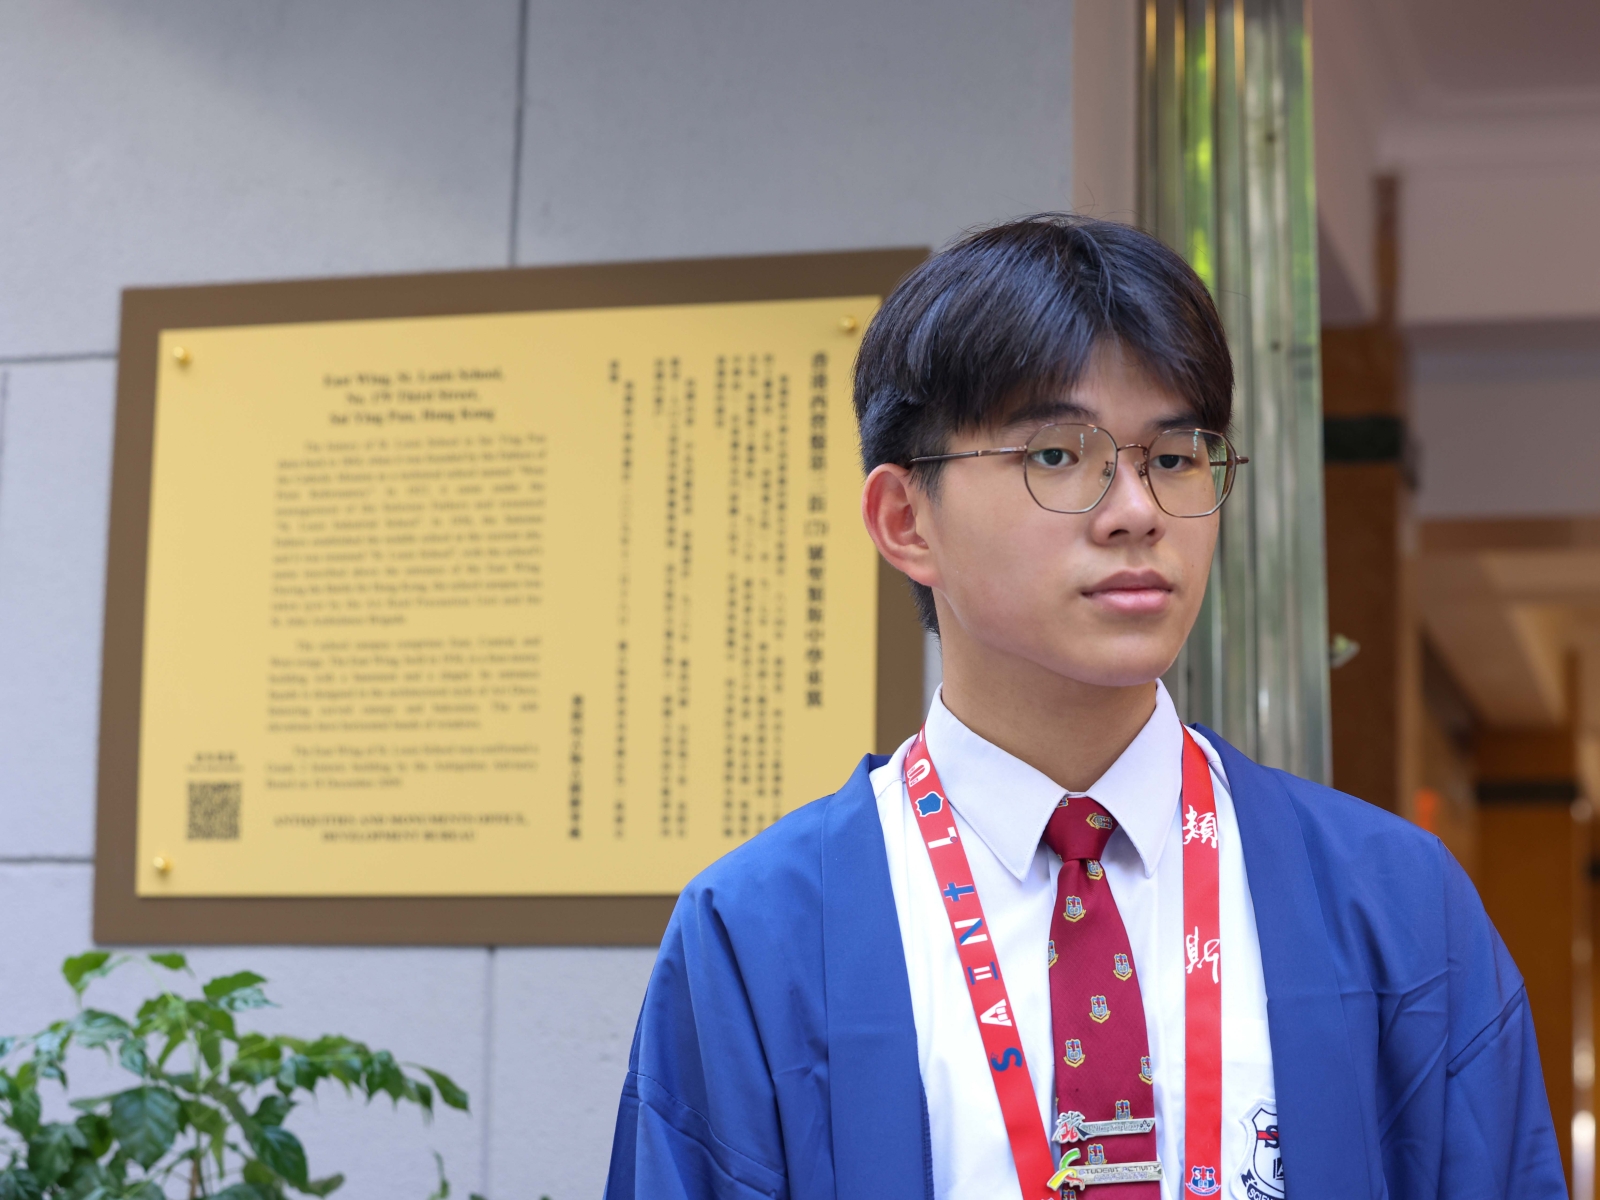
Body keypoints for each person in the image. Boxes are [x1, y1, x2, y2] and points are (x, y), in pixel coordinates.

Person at [602, 215, 1563, 1200]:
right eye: (1059, 455)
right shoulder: (758, 936)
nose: (1137, 510)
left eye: (1174, 456)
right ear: (906, 520)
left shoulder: (1396, 904)